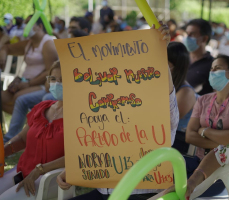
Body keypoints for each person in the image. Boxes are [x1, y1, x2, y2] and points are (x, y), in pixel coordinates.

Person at [56, 21, 179, 200]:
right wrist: (72, 172)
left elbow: (165, 88)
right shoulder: (107, 112)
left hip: (140, 194)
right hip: (102, 192)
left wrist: (159, 50)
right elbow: (97, 146)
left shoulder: (163, 109)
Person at [183, 54, 229, 196]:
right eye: (211, 69)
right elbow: (189, 136)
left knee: (186, 192)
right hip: (198, 161)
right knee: (164, 176)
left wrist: (204, 131)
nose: (212, 72)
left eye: (217, 68)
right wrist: (225, 141)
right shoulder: (203, 100)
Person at [0, 61, 65, 200]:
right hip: (23, 170)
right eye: (53, 79)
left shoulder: (81, 117)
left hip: (52, 178)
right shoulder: (43, 107)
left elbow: (77, 157)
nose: (57, 84)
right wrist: (2, 153)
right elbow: (23, 139)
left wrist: (40, 170)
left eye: (63, 80)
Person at [0, 15, 58, 142]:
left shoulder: (48, 43)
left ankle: (14, 139)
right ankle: (24, 128)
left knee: (19, 99)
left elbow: (51, 72)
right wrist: (3, 53)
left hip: (42, 85)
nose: (25, 26)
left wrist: (29, 83)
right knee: (2, 98)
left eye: (28, 23)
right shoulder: (29, 43)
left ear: (40, 26)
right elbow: (7, 47)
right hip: (25, 83)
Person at [167, 42, 198, 154]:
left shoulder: (186, 92)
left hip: (178, 149)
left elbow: (168, 122)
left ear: (175, 66)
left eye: (164, 63)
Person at [184, 19, 214, 95]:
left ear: (204, 38)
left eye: (192, 34)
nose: (187, 37)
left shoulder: (213, 65)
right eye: (187, 33)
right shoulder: (180, 58)